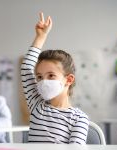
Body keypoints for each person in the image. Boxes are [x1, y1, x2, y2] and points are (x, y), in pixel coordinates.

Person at [21, 12, 89, 144]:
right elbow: (26, 69)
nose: (43, 81)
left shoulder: (79, 118)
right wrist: (40, 37)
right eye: (39, 77)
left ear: (68, 80)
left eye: (51, 75)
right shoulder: (37, 105)